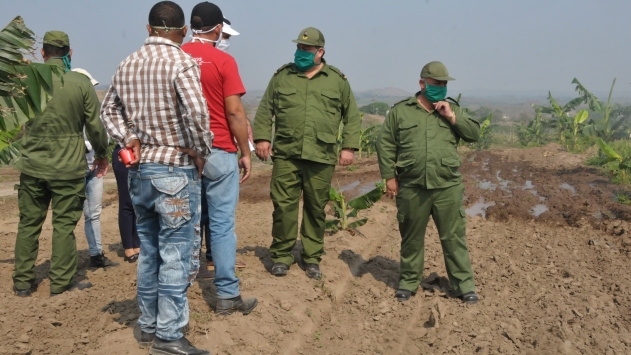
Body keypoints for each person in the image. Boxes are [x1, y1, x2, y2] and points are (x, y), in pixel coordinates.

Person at [100, 2, 212, 354]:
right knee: (177, 253)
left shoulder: (127, 63)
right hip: (174, 170)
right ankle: (169, 334)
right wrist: (199, 150)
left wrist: (126, 137)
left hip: (140, 173)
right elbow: (197, 113)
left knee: (149, 251)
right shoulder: (182, 62)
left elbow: (108, 110)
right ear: (182, 32)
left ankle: (148, 324)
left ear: (149, 29)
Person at [253, 27, 361, 280]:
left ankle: (312, 258)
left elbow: (352, 116)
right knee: (283, 206)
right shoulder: (282, 76)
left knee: (315, 208)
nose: (300, 52)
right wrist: (261, 138)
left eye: (306, 49)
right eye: (299, 48)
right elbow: (265, 108)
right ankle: (281, 255)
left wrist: (348, 147)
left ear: (320, 52)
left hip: (320, 156)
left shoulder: (337, 80)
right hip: (287, 153)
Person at [12, 32, 109, 297]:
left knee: (29, 223)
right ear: (69, 53)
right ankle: (60, 283)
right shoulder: (80, 83)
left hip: (32, 164)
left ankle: (22, 282)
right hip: (67, 166)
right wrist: (102, 154)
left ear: (43, 53)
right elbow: (95, 127)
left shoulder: (26, 81)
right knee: (64, 225)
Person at [375, 61, 480, 304]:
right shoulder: (402, 111)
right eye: (435, 84)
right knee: (411, 238)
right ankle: (409, 282)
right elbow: (385, 143)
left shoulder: (452, 110)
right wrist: (390, 177)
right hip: (412, 186)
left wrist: (451, 117)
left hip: (447, 186)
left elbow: (474, 135)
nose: (440, 88)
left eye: (444, 84)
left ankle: (464, 285)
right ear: (422, 84)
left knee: (453, 238)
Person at [181, 1, 257, 316]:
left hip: (183, 153)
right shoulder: (224, 61)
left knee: (183, 224)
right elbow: (235, 112)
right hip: (220, 151)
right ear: (217, 29)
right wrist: (244, 151)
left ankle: (178, 292)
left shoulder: (175, 56)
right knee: (223, 225)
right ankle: (227, 294)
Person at [72, 68, 119, 269]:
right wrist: (93, 145)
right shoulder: (70, 114)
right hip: (77, 167)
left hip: (94, 167)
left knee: (94, 213)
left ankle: (96, 254)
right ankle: (67, 259)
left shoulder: (96, 111)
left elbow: (105, 135)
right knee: (71, 214)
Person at [112, 143, 141, 262]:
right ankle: (128, 246)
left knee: (138, 202)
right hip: (125, 151)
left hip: (143, 152)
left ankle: (137, 242)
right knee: (127, 201)